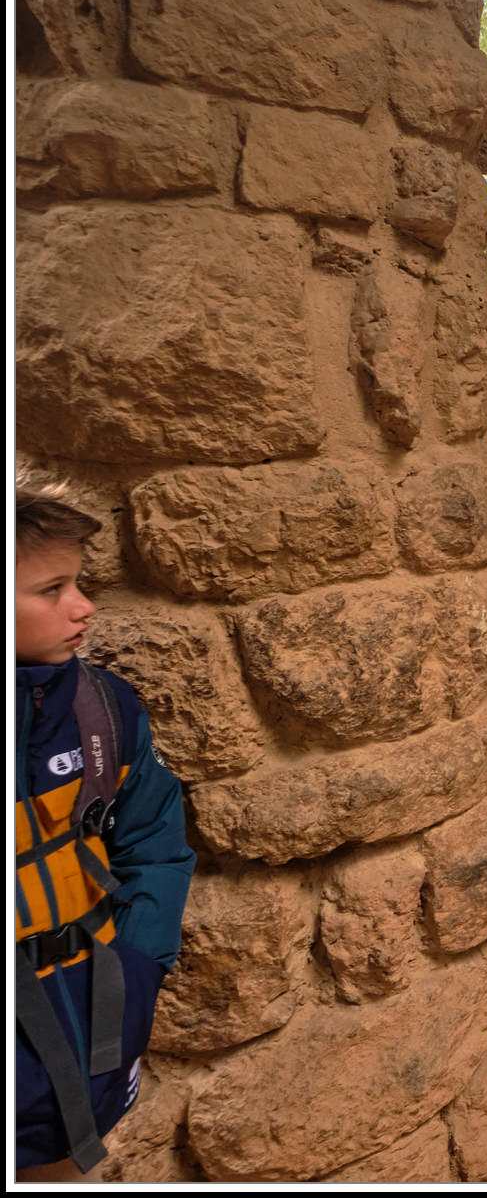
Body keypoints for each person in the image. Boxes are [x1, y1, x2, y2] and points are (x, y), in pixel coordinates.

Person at [16, 481, 195, 1179]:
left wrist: (140, 962)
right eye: (51, 589)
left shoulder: (102, 710)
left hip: (92, 1018)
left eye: (79, 583)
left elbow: (153, 839)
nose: (83, 606)